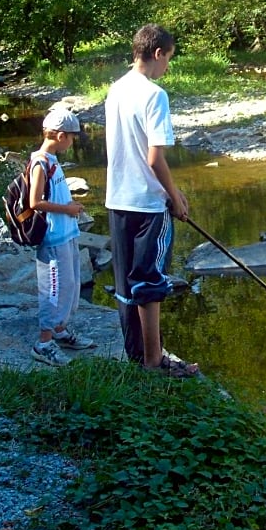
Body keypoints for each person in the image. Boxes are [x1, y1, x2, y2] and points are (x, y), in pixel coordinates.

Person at [105, 24, 199, 378]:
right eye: (169, 59)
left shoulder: (116, 89)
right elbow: (154, 158)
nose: (168, 67)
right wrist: (174, 198)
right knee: (150, 282)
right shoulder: (154, 94)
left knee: (127, 283)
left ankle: (137, 355)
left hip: (118, 199)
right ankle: (153, 361)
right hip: (147, 204)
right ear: (158, 53)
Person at [30, 107, 96, 367]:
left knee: (70, 285)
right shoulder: (40, 162)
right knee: (54, 291)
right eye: (71, 137)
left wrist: (71, 206)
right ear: (59, 136)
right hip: (53, 238)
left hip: (66, 233)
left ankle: (59, 330)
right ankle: (43, 343)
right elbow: (35, 202)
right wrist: (67, 209)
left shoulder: (54, 160)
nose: (72, 142)